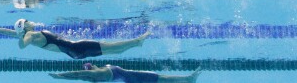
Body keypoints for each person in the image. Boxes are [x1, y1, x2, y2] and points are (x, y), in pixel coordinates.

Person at [0, 19, 150, 59]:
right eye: (27, 21)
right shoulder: (30, 35)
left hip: (73, 52)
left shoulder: (28, 34)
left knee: (109, 49)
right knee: (109, 47)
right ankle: (137, 41)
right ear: (26, 26)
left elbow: (13, 33)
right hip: (75, 48)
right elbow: (21, 45)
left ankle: (136, 44)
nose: (30, 21)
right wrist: (22, 39)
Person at [51, 63, 202, 82]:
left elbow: (79, 76)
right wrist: (60, 76)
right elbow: (77, 75)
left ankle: (187, 79)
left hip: (130, 77)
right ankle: (188, 79)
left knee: (161, 79)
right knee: (161, 79)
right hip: (131, 78)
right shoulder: (99, 73)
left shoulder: (97, 75)